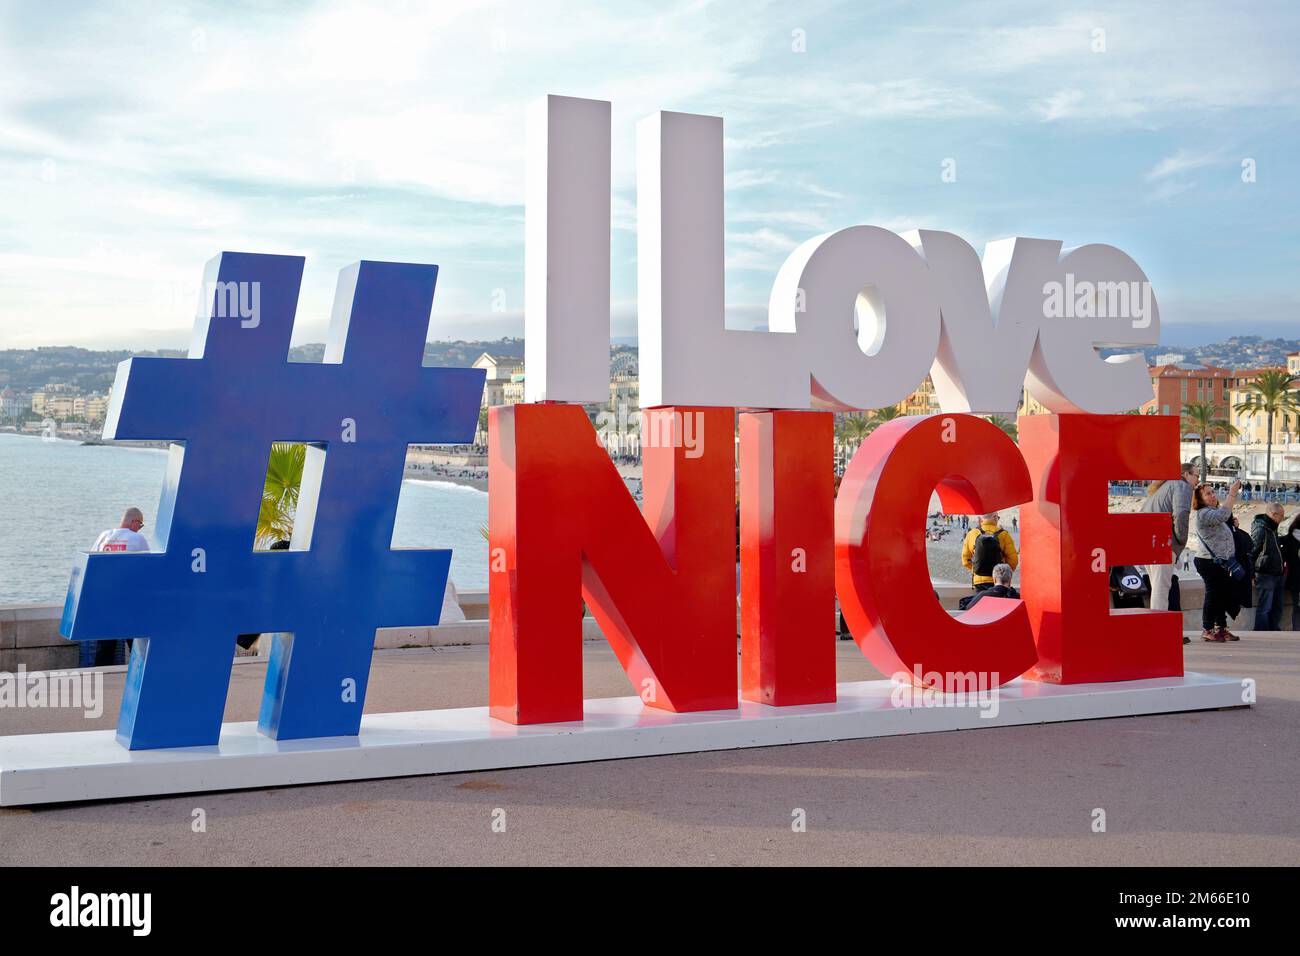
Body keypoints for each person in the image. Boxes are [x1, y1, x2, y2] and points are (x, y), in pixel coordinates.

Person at [82, 507, 150, 667]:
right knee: (137, 645)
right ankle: (141, 674)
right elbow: (148, 568)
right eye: (140, 525)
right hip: (129, 599)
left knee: (105, 645)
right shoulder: (137, 539)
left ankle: (100, 677)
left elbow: (92, 563)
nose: (140, 528)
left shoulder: (103, 536)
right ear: (134, 522)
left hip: (105, 598)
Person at [1139, 462, 1196, 612]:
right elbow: (1181, 515)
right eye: (1196, 475)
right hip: (1162, 544)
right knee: (1161, 590)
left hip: (1148, 542)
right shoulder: (1182, 486)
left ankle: (1157, 629)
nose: (1197, 480)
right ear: (1186, 475)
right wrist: (1181, 542)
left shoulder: (1165, 487)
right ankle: (1159, 631)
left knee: (1157, 587)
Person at [1189, 480, 1241, 642]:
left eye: (1213, 492)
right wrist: (1232, 493)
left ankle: (1221, 628)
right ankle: (1207, 628)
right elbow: (1223, 515)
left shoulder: (1212, 511)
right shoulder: (1204, 513)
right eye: (1208, 493)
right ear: (1200, 498)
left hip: (1220, 562)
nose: (1212, 496)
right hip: (1209, 562)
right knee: (1213, 595)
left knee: (1221, 595)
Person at [1250, 503, 1286, 631]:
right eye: (1281, 515)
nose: (1283, 518)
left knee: (1277, 606)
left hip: (1278, 574)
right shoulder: (1261, 529)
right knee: (1265, 607)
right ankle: (1262, 632)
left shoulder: (1272, 528)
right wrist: (1251, 575)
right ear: (1273, 514)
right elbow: (1251, 553)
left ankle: (1274, 630)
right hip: (1265, 574)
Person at [961, 512, 1018, 593]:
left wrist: (977, 569)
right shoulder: (1004, 535)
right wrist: (1003, 573)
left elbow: (965, 560)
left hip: (979, 581)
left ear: (981, 519)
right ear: (995, 517)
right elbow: (1013, 560)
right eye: (998, 517)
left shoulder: (972, 533)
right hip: (999, 581)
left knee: (981, 604)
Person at [1280, 514, 1300, 631]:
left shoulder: (1287, 539)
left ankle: (1297, 633)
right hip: (1296, 579)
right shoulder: (1288, 540)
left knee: (1297, 608)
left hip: (1294, 579)